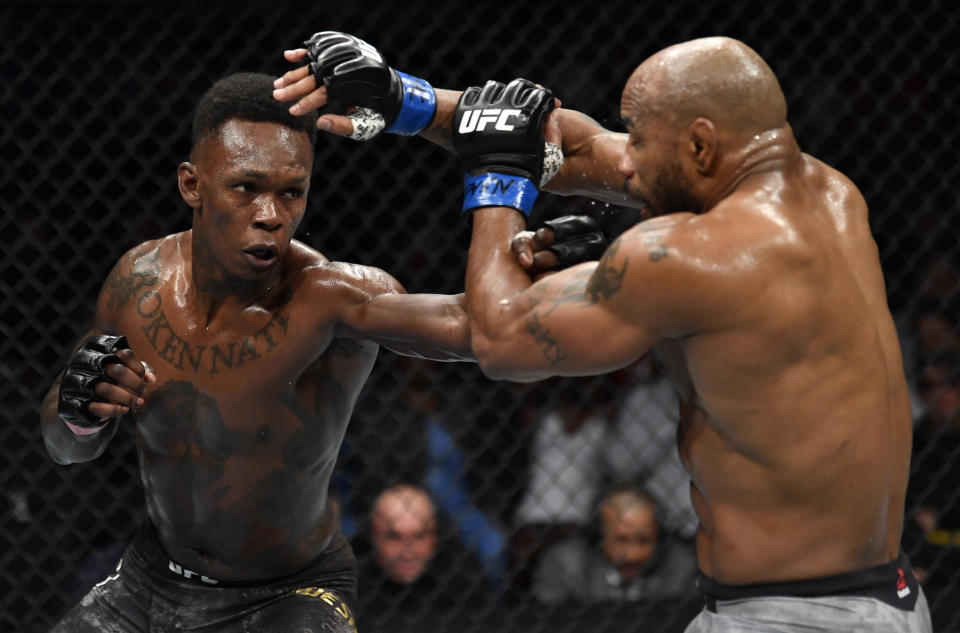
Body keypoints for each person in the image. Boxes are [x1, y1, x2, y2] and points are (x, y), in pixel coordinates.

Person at [274, 33, 932, 631]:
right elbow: (578, 149)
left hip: (791, 618)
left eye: (639, 140)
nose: (625, 165)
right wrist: (404, 99)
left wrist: (497, 183)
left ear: (701, 144)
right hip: (878, 597)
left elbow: (500, 341)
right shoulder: (825, 191)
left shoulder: (686, 255)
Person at [39, 72, 477, 633]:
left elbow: (484, 330)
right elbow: (64, 449)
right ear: (192, 186)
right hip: (148, 581)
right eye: (246, 187)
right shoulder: (136, 282)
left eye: (291, 192)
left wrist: (503, 198)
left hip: (290, 595)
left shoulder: (335, 300)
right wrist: (79, 414)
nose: (271, 215)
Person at [533, 486, 697, 603]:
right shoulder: (564, 564)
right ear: (598, 535)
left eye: (643, 540)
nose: (632, 554)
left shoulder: (681, 567)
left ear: (659, 538)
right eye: (621, 539)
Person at [353, 483, 483, 621]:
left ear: (435, 537)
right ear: (373, 537)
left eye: (419, 536)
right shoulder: (346, 581)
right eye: (394, 537)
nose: (407, 553)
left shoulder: (463, 576)